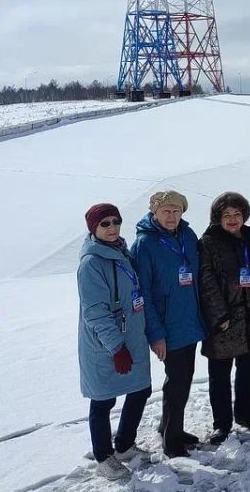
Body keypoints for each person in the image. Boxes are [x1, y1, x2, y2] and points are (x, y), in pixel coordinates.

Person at [78, 203, 152, 480]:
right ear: (94, 228)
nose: (111, 228)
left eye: (115, 222)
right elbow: (95, 312)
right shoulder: (91, 264)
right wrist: (116, 347)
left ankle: (123, 445)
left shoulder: (122, 252)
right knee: (102, 400)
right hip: (104, 342)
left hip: (131, 334)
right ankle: (103, 457)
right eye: (104, 224)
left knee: (140, 389)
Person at [132, 191, 206, 458]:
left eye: (176, 211)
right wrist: (156, 334)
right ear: (155, 213)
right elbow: (143, 293)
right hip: (167, 326)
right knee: (177, 381)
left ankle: (170, 426)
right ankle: (171, 440)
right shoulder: (145, 244)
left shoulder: (187, 235)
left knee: (182, 379)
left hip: (190, 321)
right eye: (166, 211)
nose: (172, 216)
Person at [197, 192, 250, 444]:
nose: (232, 219)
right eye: (226, 215)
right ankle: (222, 423)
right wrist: (219, 317)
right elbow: (206, 283)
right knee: (220, 375)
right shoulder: (208, 242)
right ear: (217, 217)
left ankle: (244, 413)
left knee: (248, 370)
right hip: (224, 320)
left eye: (237, 214)